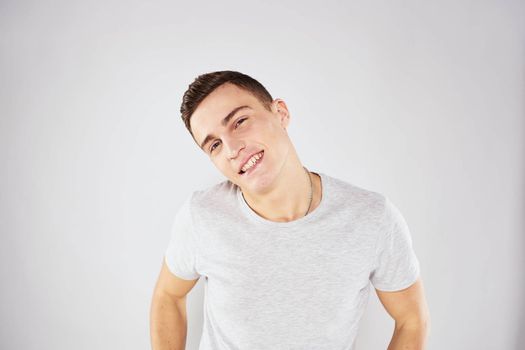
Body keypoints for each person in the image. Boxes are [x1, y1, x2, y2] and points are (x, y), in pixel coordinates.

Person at [150, 70, 430, 350]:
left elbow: (411, 319)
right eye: (215, 144)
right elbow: (168, 296)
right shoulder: (202, 216)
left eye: (240, 122)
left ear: (280, 113)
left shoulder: (372, 217)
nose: (232, 149)